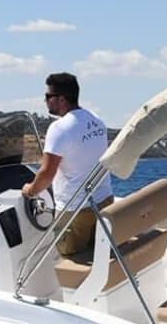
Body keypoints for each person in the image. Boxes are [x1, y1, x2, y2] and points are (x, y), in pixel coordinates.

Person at [21, 72, 114, 256]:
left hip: (76, 211)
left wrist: (30, 191)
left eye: (48, 96)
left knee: (60, 251)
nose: (45, 100)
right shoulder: (97, 121)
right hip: (105, 203)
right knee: (94, 249)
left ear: (62, 99)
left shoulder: (59, 128)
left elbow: (47, 174)